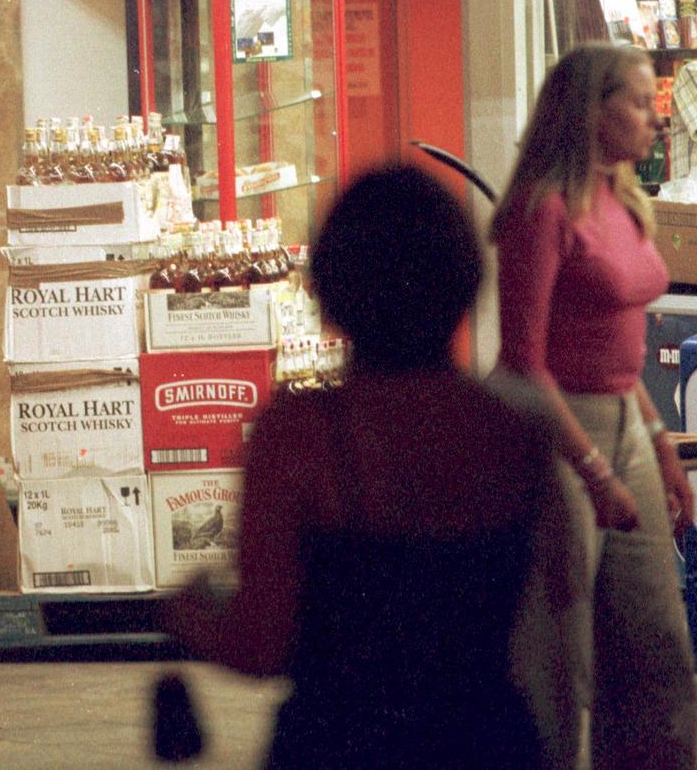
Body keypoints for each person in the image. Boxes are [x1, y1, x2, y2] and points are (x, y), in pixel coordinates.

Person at [165, 164, 554, 769]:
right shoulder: (513, 428)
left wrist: (188, 613)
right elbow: (549, 602)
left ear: (330, 289)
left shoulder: (298, 436)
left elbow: (261, 645)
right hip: (486, 740)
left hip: (338, 743)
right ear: (465, 281)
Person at [490, 41, 697, 768]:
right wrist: (592, 470)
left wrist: (659, 442)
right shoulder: (544, 211)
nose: (655, 116)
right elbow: (523, 361)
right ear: (589, 112)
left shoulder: (624, 200)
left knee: (655, 640)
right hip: (553, 431)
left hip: (626, 420)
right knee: (557, 651)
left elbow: (621, 350)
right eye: (638, 102)